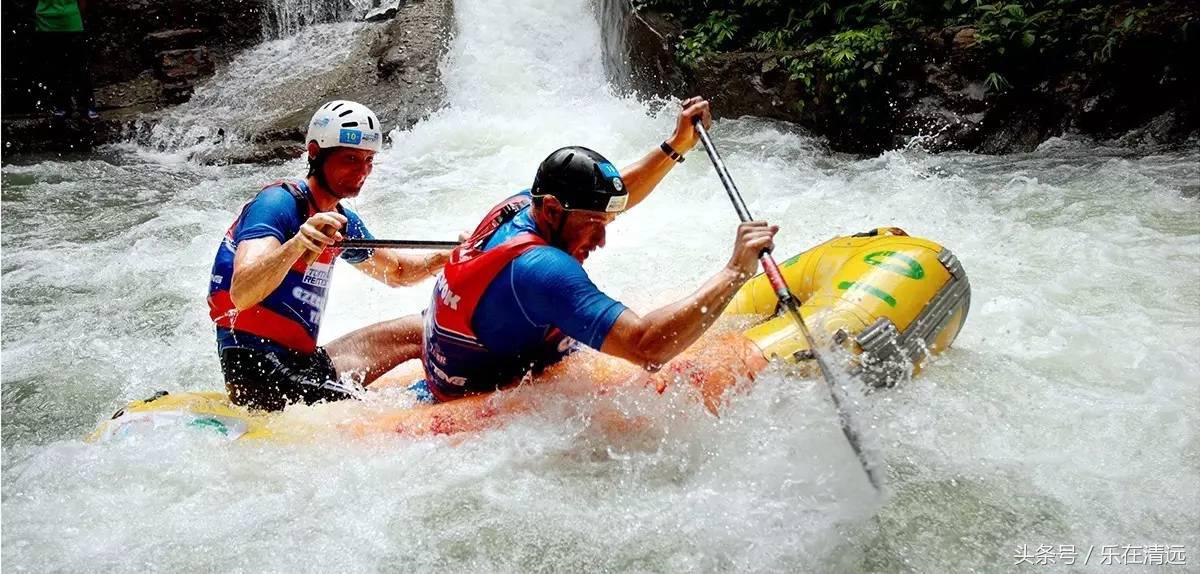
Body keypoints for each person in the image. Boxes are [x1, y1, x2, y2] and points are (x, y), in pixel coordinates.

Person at [417, 97, 778, 403]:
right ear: (554, 211)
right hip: (483, 399)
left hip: (467, 363)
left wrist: (675, 145)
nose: (602, 240)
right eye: (595, 226)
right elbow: (647, 349)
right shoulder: (543, 270)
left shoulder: (522, 204)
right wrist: (735, 272)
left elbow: (613, 197)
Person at [208, 100, 450, 411]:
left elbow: (399, 272)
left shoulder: (341, 219)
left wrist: (452, 254)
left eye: (369, 160)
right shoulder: (277, 204)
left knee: (424, 329)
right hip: (260, 378)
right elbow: (241, 293)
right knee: (395, 406)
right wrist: (297, 243)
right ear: (314, 152)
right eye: (350, 159)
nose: (362, 172)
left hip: (303, 362)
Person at [34, 0, 98, 120]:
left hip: (70, 20)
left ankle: (86, 105)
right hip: (45, 21)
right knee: (56, 68)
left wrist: (79, 16)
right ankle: (63, 105)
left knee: (80, 67)